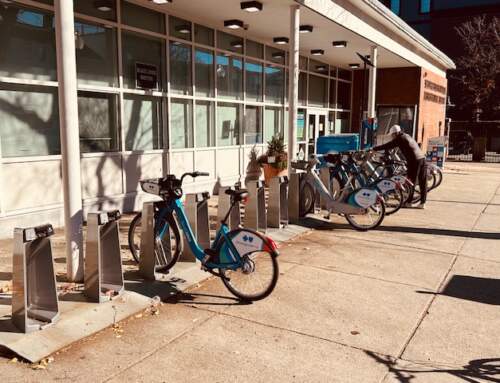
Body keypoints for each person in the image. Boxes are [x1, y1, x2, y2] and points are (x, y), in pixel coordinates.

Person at [372, 125, 427, 209]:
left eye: (392, 135)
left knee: (411, 181)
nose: (392, 136)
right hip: (422, 158)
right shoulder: (406, 135)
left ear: (396, 133)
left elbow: (388, 145)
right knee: (422, 181)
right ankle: (423, 203)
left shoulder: (400, 139)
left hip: (414, 161)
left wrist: (374, 148)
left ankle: (409, 202)